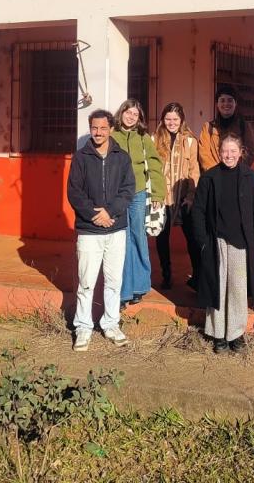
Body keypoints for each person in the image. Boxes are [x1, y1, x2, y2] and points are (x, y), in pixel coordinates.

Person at [67, 109, 135, 351]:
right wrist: (95, 215)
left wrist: (110, 212)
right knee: (86, 282)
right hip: (89, 231)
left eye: (103, 128)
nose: (98, 133)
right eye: (94, 128)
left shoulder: (122, 157)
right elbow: (74, 192)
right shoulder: (81, 158)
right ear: (90, 128)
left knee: (114, 281)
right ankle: (83, 327)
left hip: (116, 230)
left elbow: (128, 190)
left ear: (111, 129)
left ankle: (111, 324)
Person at [191, 133, 254, 354]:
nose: (229, 155)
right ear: (219, 152)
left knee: (237, 289)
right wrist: (203, 241)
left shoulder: (251, 177)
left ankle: (236, 334)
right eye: (225, 151)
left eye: (234, 151)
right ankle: (218, 335)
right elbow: (198, 211)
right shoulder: (209, 178)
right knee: (218, 288)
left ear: (241, 152)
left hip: (241, 242)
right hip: (216, 242)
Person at [111, 98, 166, 308]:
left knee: (138, 238)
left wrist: (158, 194)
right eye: (128, 112)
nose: (131, 117)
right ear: (121, 112)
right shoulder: (112, 135)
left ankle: (140, 286)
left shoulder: (143, 137)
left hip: (139, 194)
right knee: (121, 241)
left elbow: (153, 165)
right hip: (117, 196)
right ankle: (124, 291)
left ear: (139, 118)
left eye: (135, 114)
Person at [153, 101, 201, 290]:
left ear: (181, 120)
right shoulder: (154, 139)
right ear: (163, 119)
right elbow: (153, 169)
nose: (171, 122)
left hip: (183, 198)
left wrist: (190, 196)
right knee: (162, 238)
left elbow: (194, 170)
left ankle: (197, 276)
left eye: (175, 119)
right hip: (162, 198)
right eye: (168, 119)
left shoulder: (190, 141)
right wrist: (155, 195)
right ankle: (166, 275)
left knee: (192, 238)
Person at [198, 85, 254, 171]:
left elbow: (250, 152)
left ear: (235, 103)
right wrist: (215, 173)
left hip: (237, 176)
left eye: (230, 100)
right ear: (217, 104)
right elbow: (204, 154)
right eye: (222, 101)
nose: (226, 104)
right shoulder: (208, 127)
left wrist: (237, 170)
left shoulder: (244, 126)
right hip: (214, 176)